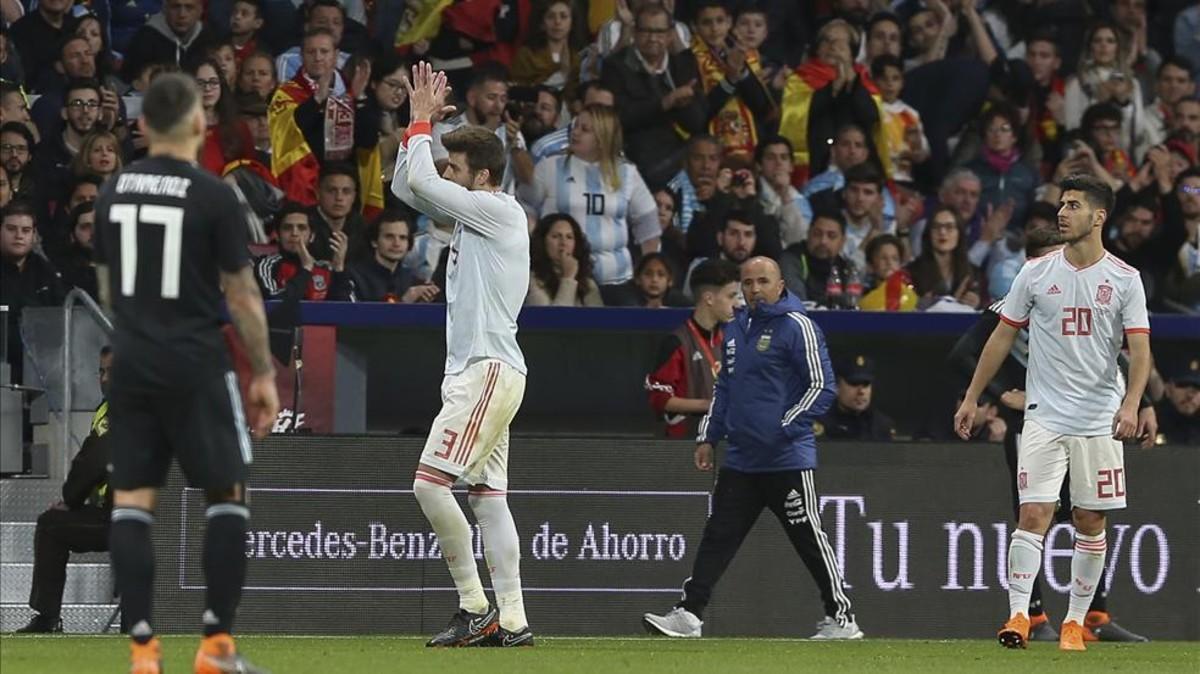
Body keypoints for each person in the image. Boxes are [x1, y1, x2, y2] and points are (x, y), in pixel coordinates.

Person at [92, 73, 279, 673]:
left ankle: (143, 650)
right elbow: (243, 296)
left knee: (132, 502)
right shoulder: (212, 194)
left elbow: (107, 288)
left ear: (143, 126)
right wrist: (263, 374)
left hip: (133, 362)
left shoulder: (111, 192)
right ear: (199, 124)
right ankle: (216, 646)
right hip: (196, 360)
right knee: (226, 493)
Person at [954, 174, 1153, 651]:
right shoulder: (1036, 273)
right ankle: (1019, 616)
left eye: (1073, 205)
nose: (1062, 212)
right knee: (1035, 513)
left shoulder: (1125, 279)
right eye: (1061, 204)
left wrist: (1131, 404)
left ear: (1098, 217)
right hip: (1044, 416)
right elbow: (1001, 336)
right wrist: (972, 395)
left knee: (1089, 521)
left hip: (1099, 417)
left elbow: (1140, 351)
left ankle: (1075, 622)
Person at [642, 256, 860, 640]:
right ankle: (689, 614)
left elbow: (821, 386)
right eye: (747, 282)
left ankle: (842, 619)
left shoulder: (799, 327)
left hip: (786, 457)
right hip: (742, 458)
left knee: (809, 537)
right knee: (718, 535)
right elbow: (724, 389)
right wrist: (708, 436)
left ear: (780, 285)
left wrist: (784, 427)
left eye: (762, 281)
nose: (754, 289)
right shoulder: (736, 329)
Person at [391, 62, 533, 648]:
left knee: (429, 484)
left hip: (486, 371)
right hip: (487, 373)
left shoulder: (498, 210)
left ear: (481, 176)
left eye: (456, 168)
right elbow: (407, 186)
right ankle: (514, 620)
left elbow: (423, 185)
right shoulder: (474, 213)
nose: (446, 176)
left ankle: (475, 606)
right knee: (487, 498)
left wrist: (422, 120)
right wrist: (414, 129)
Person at [14, 346, 114, 634]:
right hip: (148, 517)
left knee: (49, 526)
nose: (105, 378)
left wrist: (71, 499)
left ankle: (47, 618)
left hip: (125, 515)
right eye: (101, 371)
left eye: (112, 371)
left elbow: (92, 461)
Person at [523, 103, 659, 305]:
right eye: (576, 126)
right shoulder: (549, 167)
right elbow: (525, 212)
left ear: (603, 138)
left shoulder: (627, 173)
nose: (575, 132)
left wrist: (648, 273)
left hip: (617, 281)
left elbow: (649, 228)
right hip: (558, 278)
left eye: (585, 130)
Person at [644, 258, 738, 439]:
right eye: (731, 296)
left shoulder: (730, 339)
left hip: (723, 442)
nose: (737, 304)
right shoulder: (677, 342)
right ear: (709, 298)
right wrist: (708, 405)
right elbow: (660, 399)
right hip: (685, 446)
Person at [255, 202, 354, 302]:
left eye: (301, 228)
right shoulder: (267, 265)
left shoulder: (326, 268)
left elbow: (348, 311)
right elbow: (274, 303)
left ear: (312, 236)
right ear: (277, 235)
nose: (294, 233)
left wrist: (338, 269)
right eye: (287, 228)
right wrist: (306, 269)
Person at [347, 210, 438, 303]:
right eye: (389, 237)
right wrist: (404, 302)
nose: (396, 243)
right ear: (374, 241)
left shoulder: (412, 280)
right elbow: (358, 315)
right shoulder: (354, 277)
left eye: (402, 238)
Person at [526, 213, 603, 307]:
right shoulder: (532, 280)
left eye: (569, 237)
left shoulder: (588, 283)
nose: (563, 243)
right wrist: (568, 278)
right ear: (542, 242)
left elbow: (598, 319)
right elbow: (554, 320)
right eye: (556, 236)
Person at [817, 355, 895, 442]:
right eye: (854, 384)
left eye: (866, 385)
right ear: (836, 387)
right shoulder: (820, 422)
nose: (861, 392)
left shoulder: (882, 425)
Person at [1156, 357, 1199, 445]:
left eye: (1197, 388)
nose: (1190, 395)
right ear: (1168, 388)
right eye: (1183, 385)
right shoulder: (1152, 422)